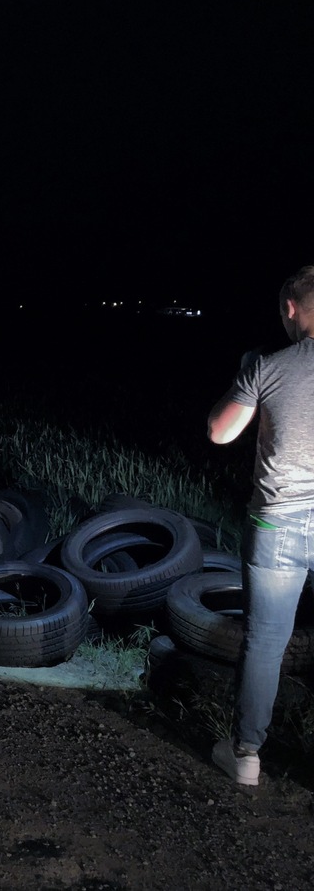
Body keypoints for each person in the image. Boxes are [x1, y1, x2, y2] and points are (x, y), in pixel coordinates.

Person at [206, 264, 314, 785]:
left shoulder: (266, 365)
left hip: (278, 524)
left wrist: (245, 373)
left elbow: (221, 433)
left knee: (266, 642)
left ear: (290, 308)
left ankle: (246, 755)